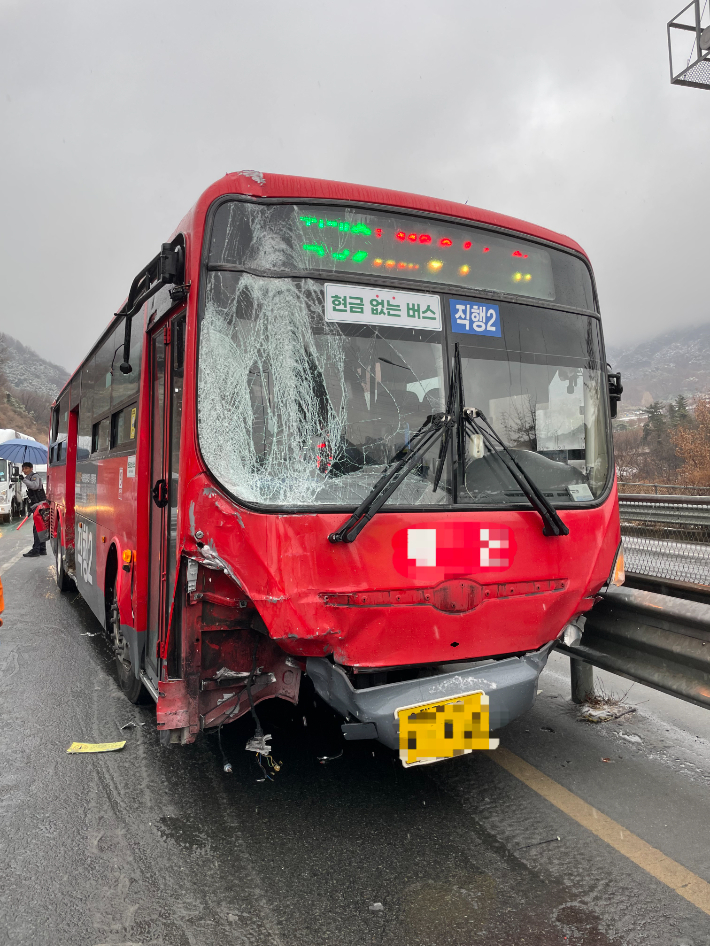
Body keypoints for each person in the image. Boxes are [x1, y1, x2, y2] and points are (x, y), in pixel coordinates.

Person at [22, 462, 47, 557]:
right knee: (40, 527)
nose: (24, 470)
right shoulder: (30, 477)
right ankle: (42, 549)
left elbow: (35, 486)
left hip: (40, 505)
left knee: (37, 528)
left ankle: (36, 550)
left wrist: (23, 479)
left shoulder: (35, 476)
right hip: (37, 505)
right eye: (23, 468)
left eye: (26, 468)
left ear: (31, 468)